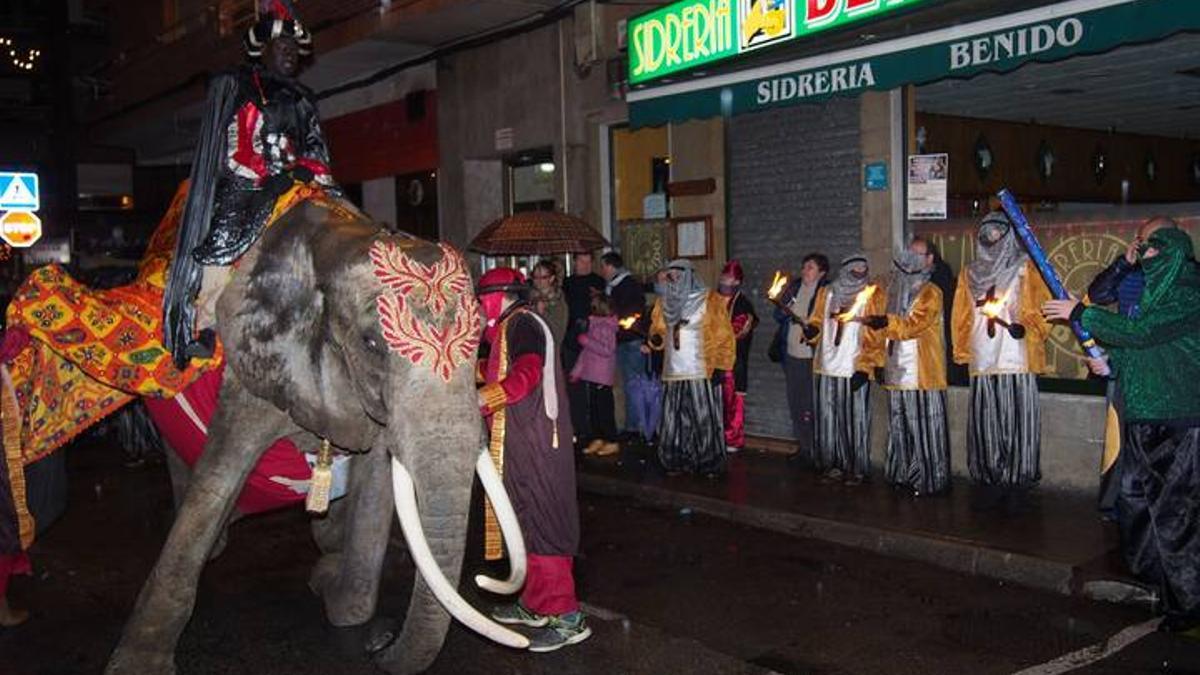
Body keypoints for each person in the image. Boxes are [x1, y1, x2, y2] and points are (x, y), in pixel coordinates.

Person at [163, 0, 339, 367]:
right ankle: (205, 322)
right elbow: (235, 149)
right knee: (222, 241)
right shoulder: (243, 86)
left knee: (342, 224)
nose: (290, 54)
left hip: (297, 181)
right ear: (266, 51)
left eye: (294, 49)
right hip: (249, 184)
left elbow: (316, 151)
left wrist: (304, 169)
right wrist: (272, 174)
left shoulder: (304, 98)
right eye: (282, 48)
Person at [1044, 226, 1200, 634]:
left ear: (1169, 250)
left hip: (1179, 420)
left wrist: (1080, 313)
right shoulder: (1153, 289)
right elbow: (1140, 347)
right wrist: (1109, 362)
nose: (1141, 252)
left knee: (1176, 515)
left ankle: (1189, 601)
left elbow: (1145, 333)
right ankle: (1160, 584)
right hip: (1142, 416)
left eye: (1148, 247)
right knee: (1135, 504)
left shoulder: (1188, 290)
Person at [475, 268, 590, 652]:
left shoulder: (523, 324)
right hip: (521, 443)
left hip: (539, 443)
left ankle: (567, 618)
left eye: (481, 300)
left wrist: (486, 397)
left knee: (544, 521)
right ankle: (536, 604)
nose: (477, 308)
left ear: (497, 296)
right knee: (524, 519)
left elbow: (526, 371)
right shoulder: (510, 326)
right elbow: (503, 368)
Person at [952, 211, 1051, 500]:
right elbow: (961, 316)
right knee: (986, 418)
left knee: (1018, 417)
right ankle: (988, 473)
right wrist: (961, 353)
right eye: (986, 234)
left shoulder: (1024, 267)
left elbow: (1042, 306)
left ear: (1007, 235)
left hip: (1015, 355)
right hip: (983, 355)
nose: (991, 238)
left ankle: (1019, 474)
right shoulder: (969, 273)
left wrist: (1030, 329)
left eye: (997, 233)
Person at [1084, 216, 1175, 520]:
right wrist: (1124, 262)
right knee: (1119, 441)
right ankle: (1116, 504)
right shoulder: (1130, 272)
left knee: (1159, 445)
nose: (1142, 244)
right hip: (1124, 369)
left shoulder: (1182, 278)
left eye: (1148, 240)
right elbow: (1097, 295)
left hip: (1162, 376)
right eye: (1139, 238)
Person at [864, 241, 950, 496]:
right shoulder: (893, 290)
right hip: (895, 371)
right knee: (899, 425)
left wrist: (884, 321)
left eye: (917, 253)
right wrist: (878, 362)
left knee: (924, 426)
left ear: (929, 259)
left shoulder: (931, 291)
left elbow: (913, 325)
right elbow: (881, 333)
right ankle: (902, 474)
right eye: (908, 252)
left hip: (921, 373)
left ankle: (930, 479)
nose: (909, 257)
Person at [647, 260, 735, 476]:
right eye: (671, 275)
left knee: (703, 417)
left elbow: (725, 335)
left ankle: (707, 460)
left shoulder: (710, 300)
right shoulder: (664, 302)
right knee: (673, 418)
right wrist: (656, 338)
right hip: (673, 369)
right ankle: (675, 459)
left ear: (689, 275)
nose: (675, 278)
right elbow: (656, 331)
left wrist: (722, 368)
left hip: (701, 368)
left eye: (679, 274)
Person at [804, 253, 886, 485]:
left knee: (855, 420)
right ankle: (832, 465)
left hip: (853, 367)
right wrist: (811, 331)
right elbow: (817, 320)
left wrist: (867, 366)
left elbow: (876, 335)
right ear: (845, 269)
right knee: (828, 420)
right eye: (856, 267)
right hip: (827, 366)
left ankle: (857, 469)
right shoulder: (827, 292)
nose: (860, 271)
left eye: (864, 267)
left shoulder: (872, 294)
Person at [772, 253, 829, 463]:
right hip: (792, 354)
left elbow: (826, 322)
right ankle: (803, 447)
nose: (805, 271)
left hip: (811, 357)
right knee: (795, 402)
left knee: (810, 404)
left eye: (811, 267)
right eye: (804, 266)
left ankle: (817, 448)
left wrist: (813, 329)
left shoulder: (824, 292)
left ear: (821, 272)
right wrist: (783, 309)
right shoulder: (795, 288)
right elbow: (778, 316)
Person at [599, 252, 647, 441]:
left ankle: (636, 427)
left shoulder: (628, 285)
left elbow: (632, 313)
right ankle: (629, 425)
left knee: (634, 384)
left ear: (610, 266)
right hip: (620, 340)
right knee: (625, 384)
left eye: (603, 267)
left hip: (631, 340)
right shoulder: (612, 287)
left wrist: (615, 321)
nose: (602, 271)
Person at [561, 251, 606, 448]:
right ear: (575, 262)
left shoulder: (598, 282)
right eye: (582, 261)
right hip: (572, 340)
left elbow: (605, 309)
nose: (585, 265)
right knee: (575, 385)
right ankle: (580, 427)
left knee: (597, 386)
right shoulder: (568, 283)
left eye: (589, 261)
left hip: (594, 340)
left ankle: (598, 430)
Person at [570, 295, 619, 457]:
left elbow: (607, 350)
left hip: (602, 376)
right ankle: (598, 437)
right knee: (594, 410)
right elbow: (586, 354)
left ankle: (612, 439)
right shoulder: (594, 325)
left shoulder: (607, 327)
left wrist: (587, 341)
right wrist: (577, 371)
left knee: (604, 410)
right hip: (591, 375)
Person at [718, 260, 759, 453]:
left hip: (734, 361)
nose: (725, 281)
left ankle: (733, 438)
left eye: (729, 278)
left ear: (737, 281)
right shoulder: (714, 300)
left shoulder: (743, 305)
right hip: (715, 361)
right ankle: (718, 436)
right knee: (718, 400)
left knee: (734, 400)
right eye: (723, 277)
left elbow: (738, 331)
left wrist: (714, 335)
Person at [531, 260, 567, 348]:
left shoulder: (558, 302)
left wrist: (543, 314)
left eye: (543, 277)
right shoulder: (530, 297)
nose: (538, 281)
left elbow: (558, 334)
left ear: (551, 278)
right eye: (535, 277)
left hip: (550, 350)